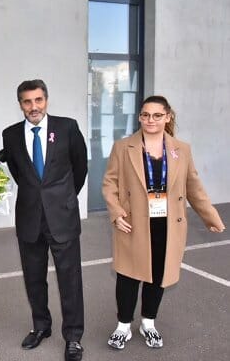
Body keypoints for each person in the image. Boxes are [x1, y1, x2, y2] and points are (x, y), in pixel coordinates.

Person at [102, 95, 225, 350]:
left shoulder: (182, 149)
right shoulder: (123, 147)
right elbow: (109, 183)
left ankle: (148, 322)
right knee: (128, 275)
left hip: (168, 224)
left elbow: (194, 187)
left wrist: (210, 216)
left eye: (157, 115)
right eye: (145, 115)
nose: (150, 120)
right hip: (133, 222)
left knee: (157, 275)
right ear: (139, 117)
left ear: (167, 116)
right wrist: (116, 213)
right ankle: (123, 326)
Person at [2, 79, 87, 361]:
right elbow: (18, 172)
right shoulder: (10, 134)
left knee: (70, 280)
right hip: (29, 218)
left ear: (46, 100)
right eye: (27, 101)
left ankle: (73, 337)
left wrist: (60, 198)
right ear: (20, 105)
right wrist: (38, 197)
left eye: (38, 100)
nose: (33, 106)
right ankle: (41, 326)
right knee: (34, 279)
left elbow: (80, 166)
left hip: (62, 216)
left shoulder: (67, 127)